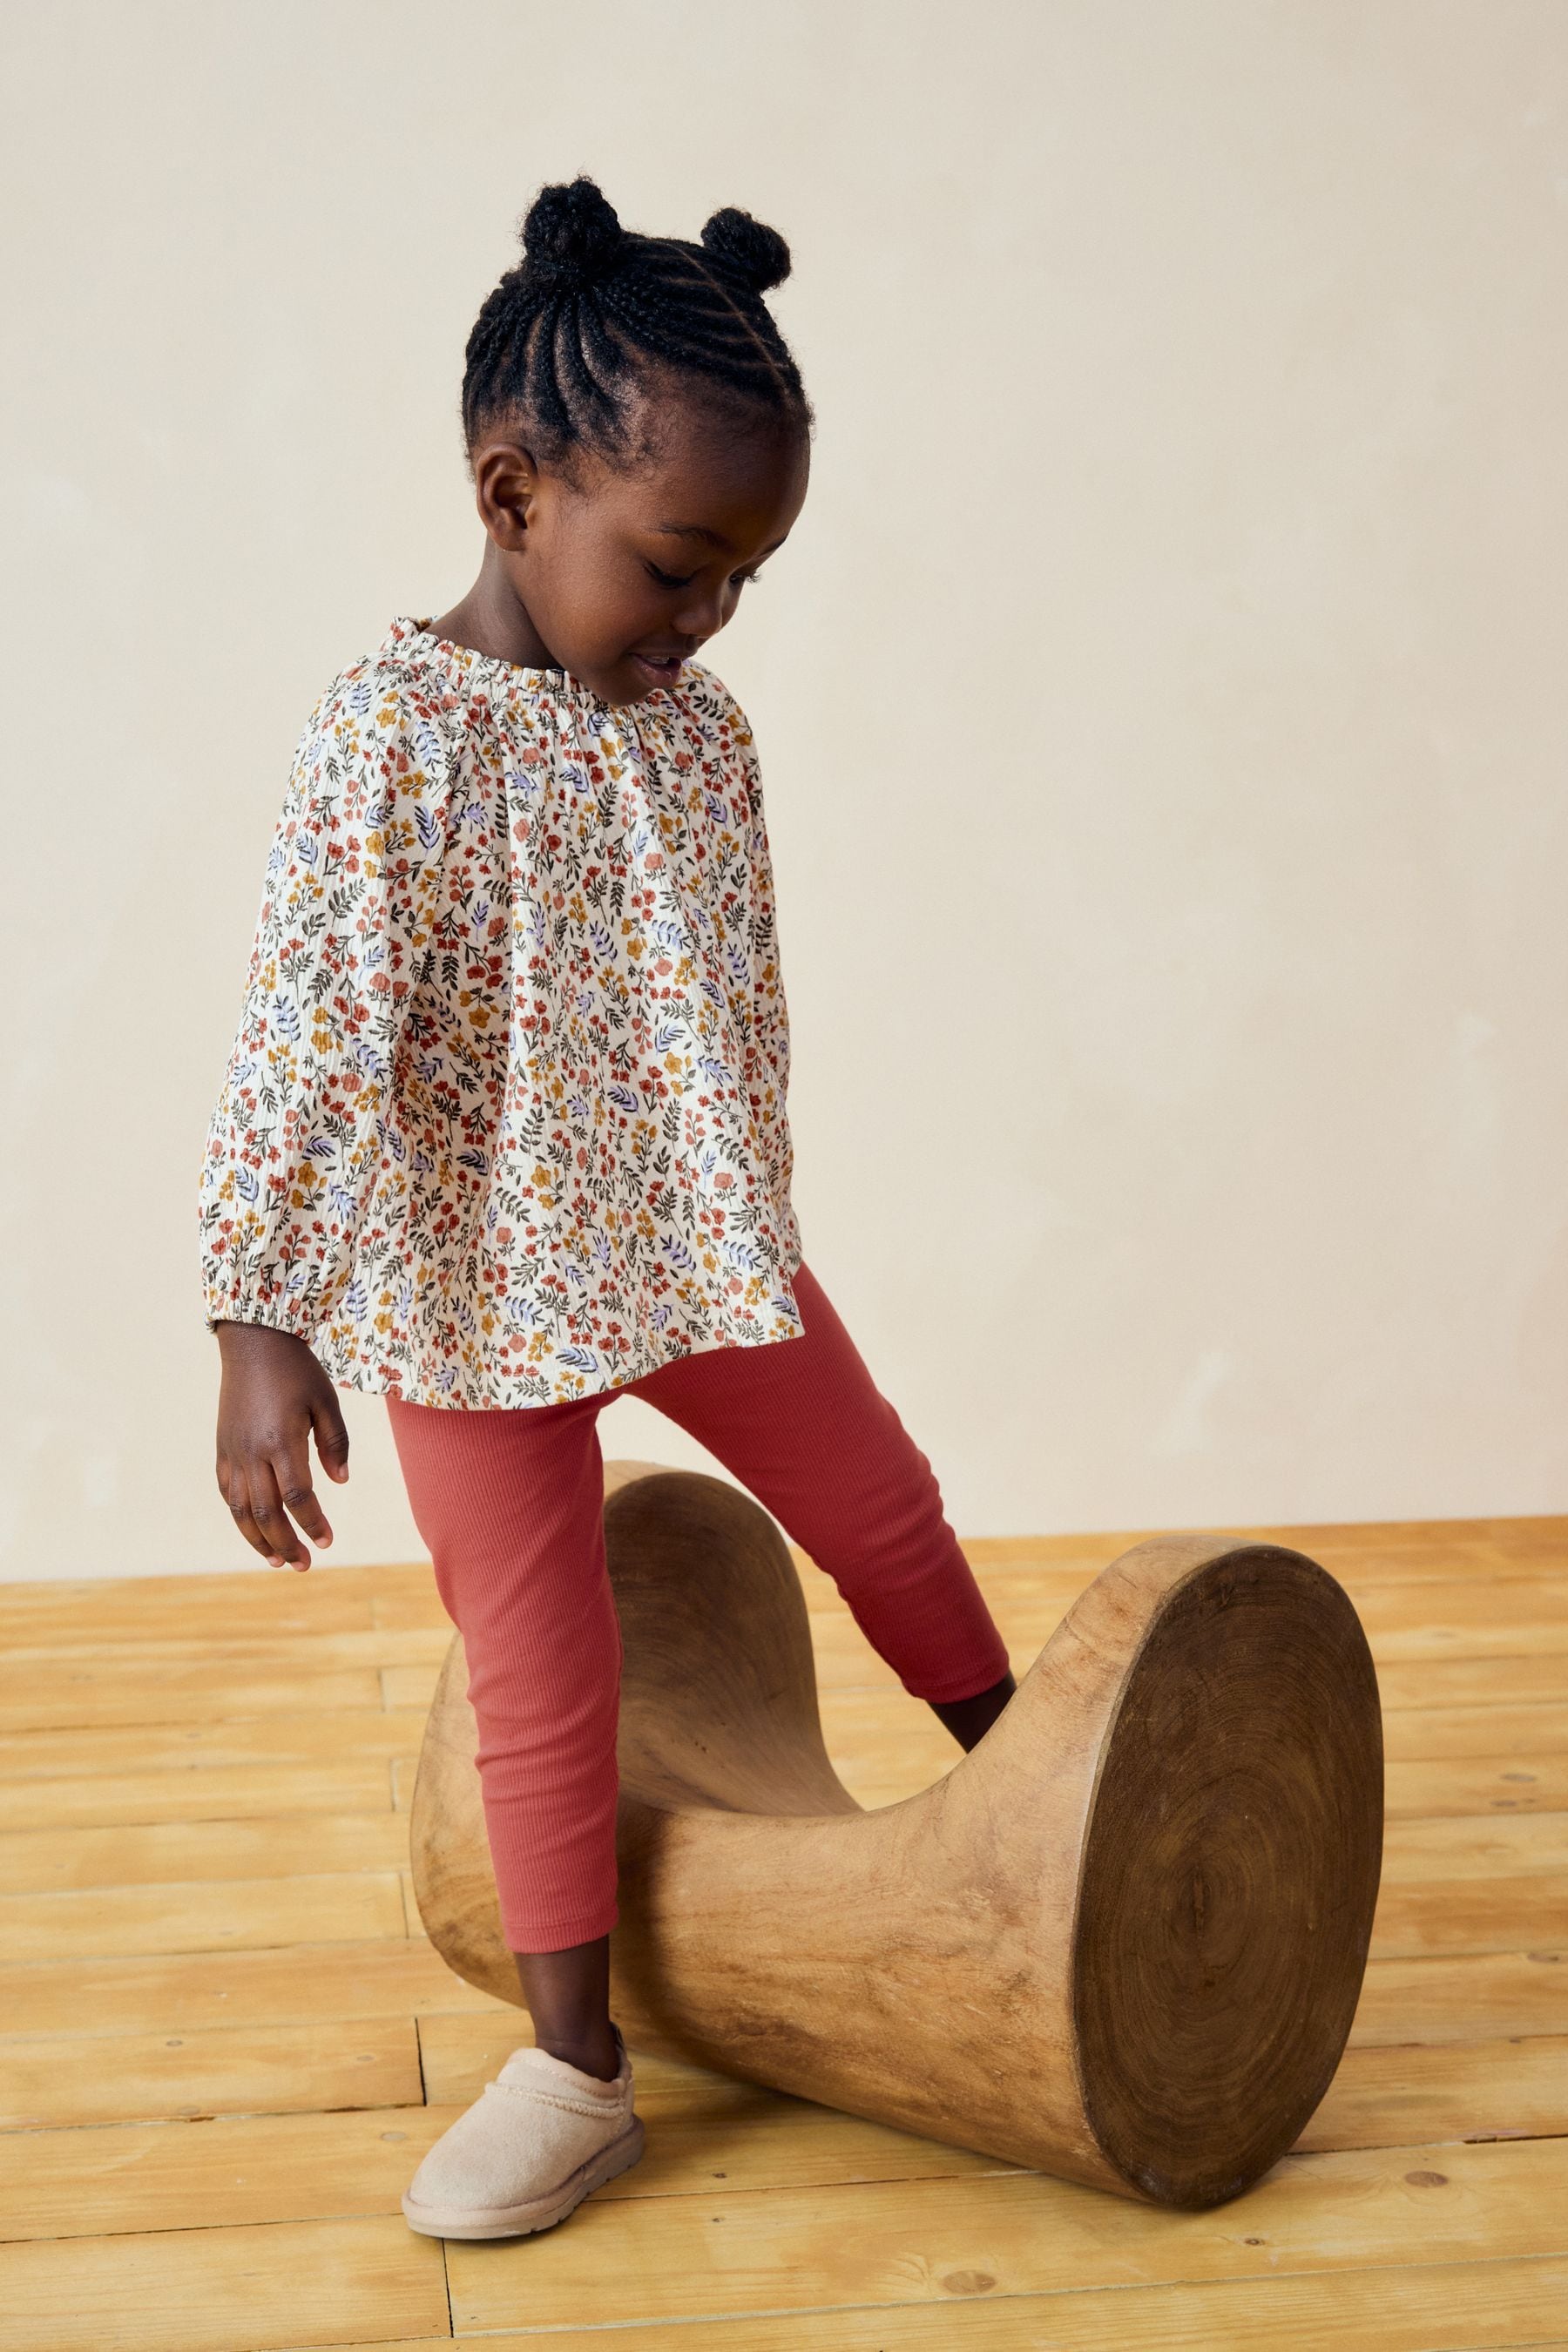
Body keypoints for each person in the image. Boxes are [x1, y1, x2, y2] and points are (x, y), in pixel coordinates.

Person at [198, 175, 1016, 2243]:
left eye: (745, 580)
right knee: (539, 1658)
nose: (708, 619)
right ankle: (575, 2067)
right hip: (474, 1282)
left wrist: (749, 1207)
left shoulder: (694, 732)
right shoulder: (387, 740)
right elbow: (312, 1034)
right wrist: (260, 1316)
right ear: (510, 490)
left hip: (694, 1245)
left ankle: (1038, 1802)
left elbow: (717, 1005)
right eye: (678, 565)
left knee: (882, 1501)